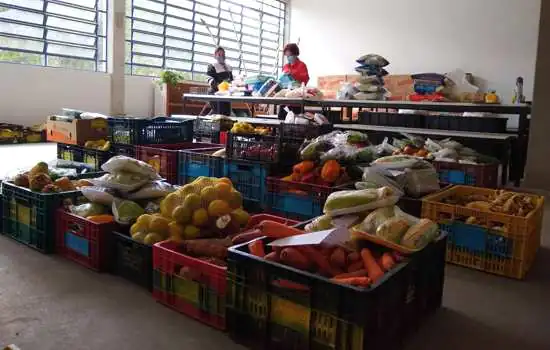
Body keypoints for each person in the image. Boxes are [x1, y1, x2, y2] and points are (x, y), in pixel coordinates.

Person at [278, 43, 310, 120]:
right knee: (281, 120)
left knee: (295, 122)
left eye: (290, 55)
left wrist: (293, 75)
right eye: (287, 56)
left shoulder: (302, 65)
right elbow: (282, 81)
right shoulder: (285, 66)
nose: (288, 58)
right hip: (285, 99)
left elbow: (305, 79)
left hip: (296, 100)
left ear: (295, 54)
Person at [206, 47, 233, 116]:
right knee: (218, 112)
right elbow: (209, 78)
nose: (221, 56)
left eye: (223, 55)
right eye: (219, 54)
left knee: (227, 113)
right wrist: (217, 86)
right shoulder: (212, 66)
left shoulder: (229, 67)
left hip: (226, 93)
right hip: (215, 92)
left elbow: (231, 80)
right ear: (215, 56)